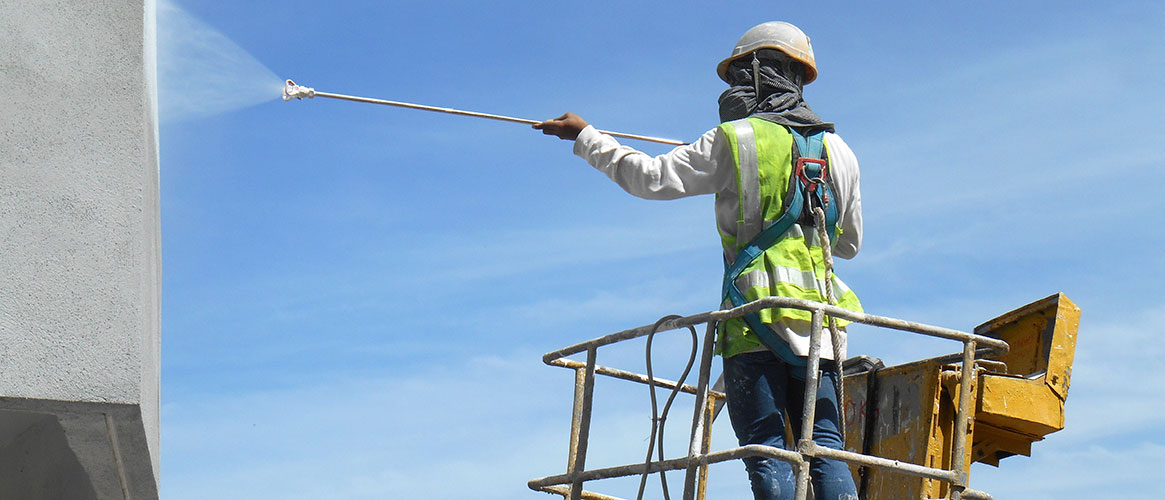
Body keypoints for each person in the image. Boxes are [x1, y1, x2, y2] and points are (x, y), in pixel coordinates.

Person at [534, 21, 862, 500]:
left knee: (767, 450)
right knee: (826, 446)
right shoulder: (841, 152)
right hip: (824, 329)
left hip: (755, 322)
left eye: (736, 78)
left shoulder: (736, 139)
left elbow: (650, 177)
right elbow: (848, 243)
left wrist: (587, 138)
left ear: (756, 74)